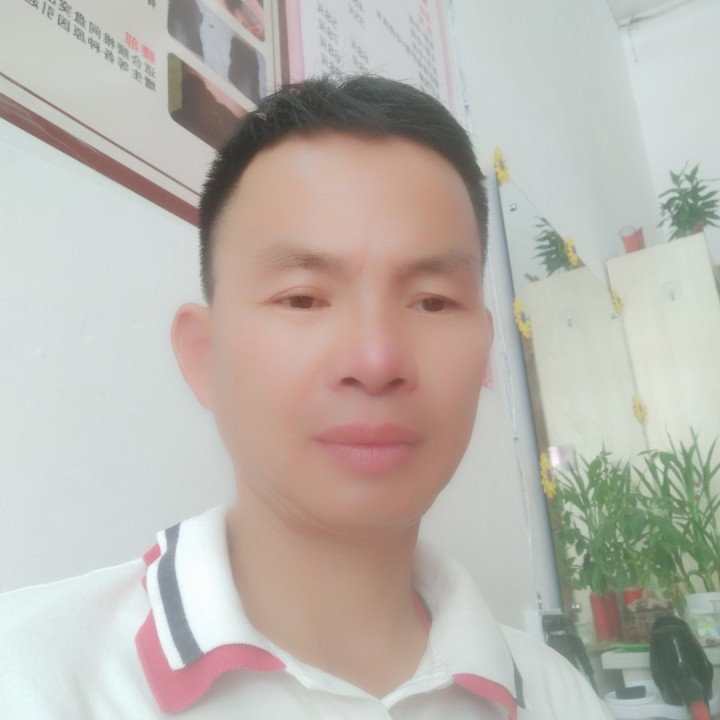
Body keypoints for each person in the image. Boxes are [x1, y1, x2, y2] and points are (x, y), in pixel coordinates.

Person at [0, 75, 611, 718]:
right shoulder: (32, 677)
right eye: (301, 299)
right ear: (204, 357)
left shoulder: (557, 694)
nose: (375, 361)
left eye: (432, 301)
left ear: (484, 350)